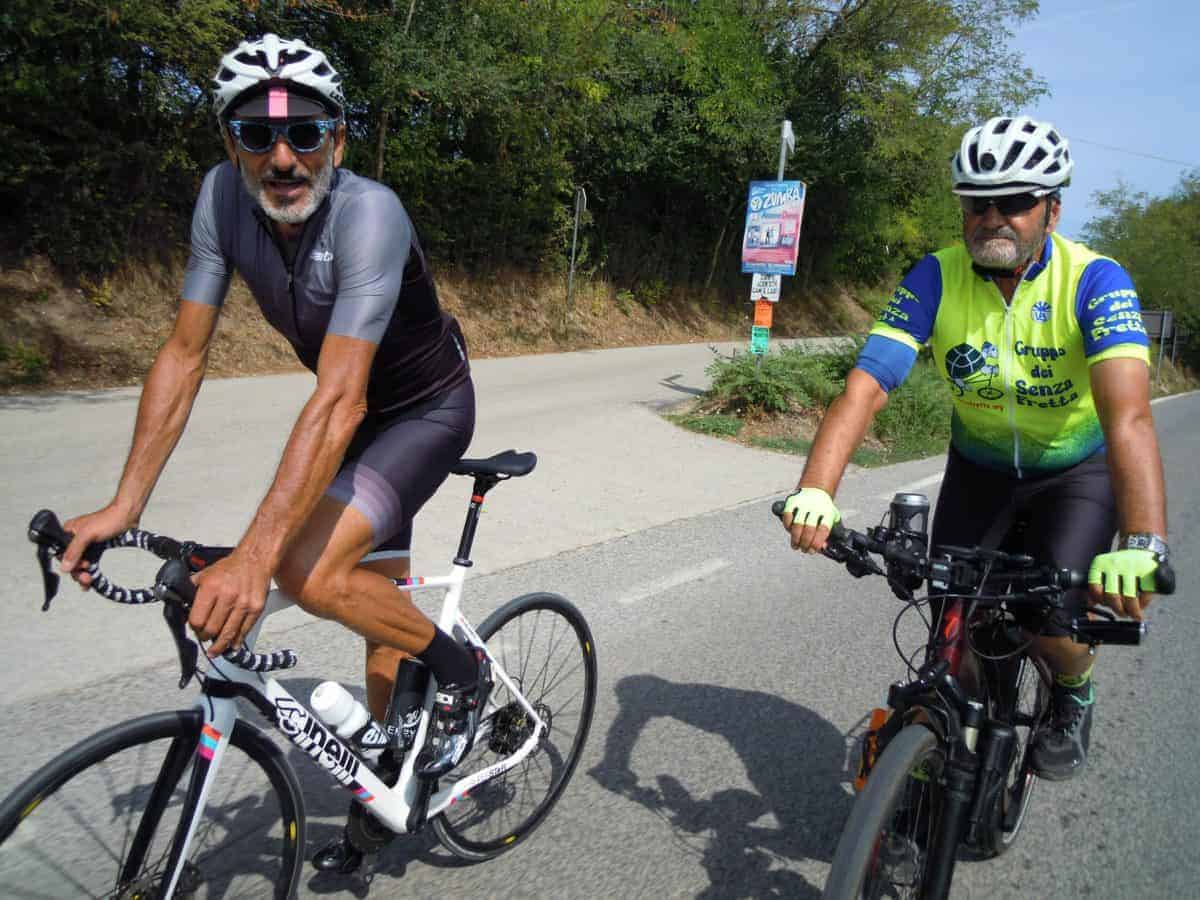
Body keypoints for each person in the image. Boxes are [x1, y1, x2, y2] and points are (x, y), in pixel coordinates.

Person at [59, 33, 488, 867]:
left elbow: (340, 398)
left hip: (424, 411)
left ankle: (462, 672)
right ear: (231, 143)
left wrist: (256, 558)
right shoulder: (221, 200)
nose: (283, 158)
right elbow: (184, 355)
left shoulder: (370, 213)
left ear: (338, 141)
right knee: (369, 594)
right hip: (349, 413)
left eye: (305, 133)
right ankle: (391, 777)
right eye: (257, 134)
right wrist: (124, 505)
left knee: (307, 571)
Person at [781, 116, 1168, 781]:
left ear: (1052, 210)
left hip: (1073, 473)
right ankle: (935, 778)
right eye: (976, 203)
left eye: (1014, 201)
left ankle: (1073, 691)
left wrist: (1143, 541)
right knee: (951, 632)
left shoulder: (1095, 281)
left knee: (1053, 622)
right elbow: (867, 385)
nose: (992, 217)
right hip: (979, 472)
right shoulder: (936, 276)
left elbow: (1128, 418)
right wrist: (817, 488)